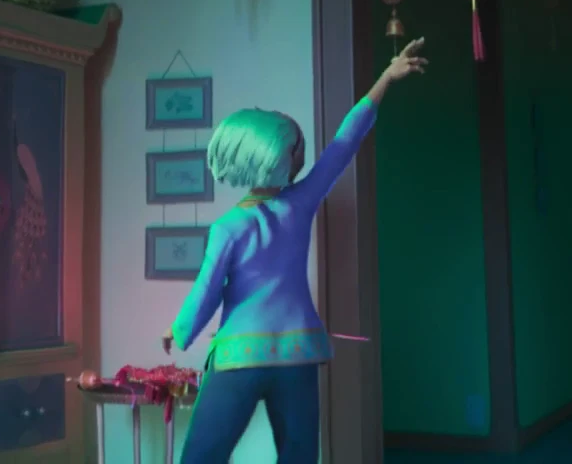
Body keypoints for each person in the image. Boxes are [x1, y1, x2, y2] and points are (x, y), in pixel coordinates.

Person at [162, 39, 428, 464]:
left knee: (202, 455)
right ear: (271, 156)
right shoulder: (300, 205)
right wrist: (384, 79)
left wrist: (178, 332)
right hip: (298, 352)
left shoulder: (227, 228)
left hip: (239, 356)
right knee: (300, 455)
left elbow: (206, 293)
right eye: (296, 148)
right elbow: (344, 143)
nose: (302, 155)